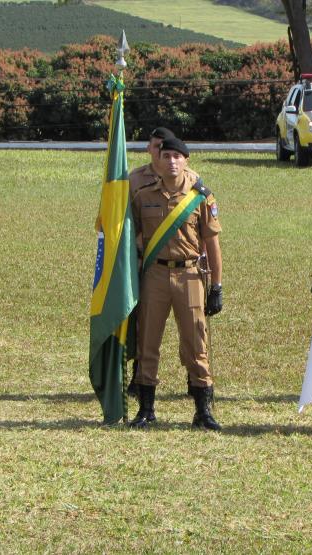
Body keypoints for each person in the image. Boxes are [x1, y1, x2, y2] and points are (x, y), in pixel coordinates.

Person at [129, 137, 223, 430]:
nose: (171, 161)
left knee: (196, 342)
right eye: (166, 155)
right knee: (148, 342)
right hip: (154, 275)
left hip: (190, 275)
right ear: (158, 159)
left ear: (186, 161)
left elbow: (212, 243)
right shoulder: (143, 196)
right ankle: (146, 409)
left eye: (177, 157)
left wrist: (216, 286)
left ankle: (203, 411)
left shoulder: (200, 197)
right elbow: (130, 238)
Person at [126, 126, 200, 398]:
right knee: (146, 332)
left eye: (172, 153)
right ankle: (142, 388)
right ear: (150, 150)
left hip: (186, 269)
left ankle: (196, 383)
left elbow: (206, 235)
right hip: (150, 265)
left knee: (193, 334)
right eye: (159, 149)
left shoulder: (195, 185)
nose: (165, 157)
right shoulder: (135, 181)